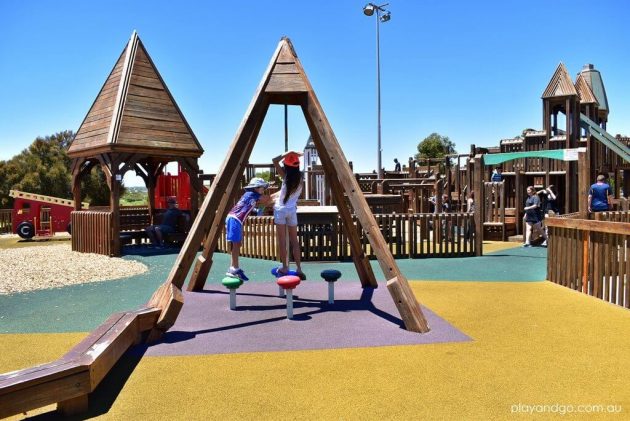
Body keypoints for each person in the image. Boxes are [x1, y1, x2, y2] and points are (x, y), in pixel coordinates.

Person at [225, 177, 273, 281]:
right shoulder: (252, 194)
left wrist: (261, 207)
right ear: (256, 188)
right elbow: (268, 199)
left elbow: (259, 208)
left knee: (237, 244)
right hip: (235, 219)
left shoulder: (252, 196)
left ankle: (232, 267)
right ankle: (234, 268)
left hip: (235, 220)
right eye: (262, 188)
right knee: (236, 244)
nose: (263, 190)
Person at [272, 151, 306, 279]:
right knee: (294, 241)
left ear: (286, 166)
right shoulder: (301, 178)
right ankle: (298, 268)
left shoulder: (285, 176)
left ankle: (285, 267)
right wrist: (294, 154)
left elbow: (274, 160)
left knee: (282, 241)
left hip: (280, 210)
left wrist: (287, 153)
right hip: (292, 210)